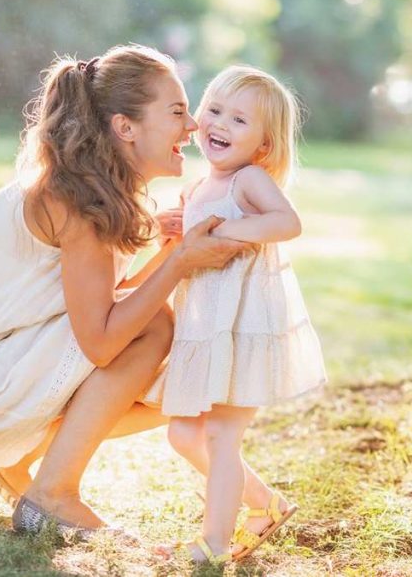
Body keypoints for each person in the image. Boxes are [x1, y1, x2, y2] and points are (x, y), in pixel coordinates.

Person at [0, 44, 269, 538]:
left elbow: (106, 304)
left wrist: (168, 250)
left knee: (178, 362)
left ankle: (20, 463)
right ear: (125, 127)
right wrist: (179, 263)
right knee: (157, 326)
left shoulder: (93, 188)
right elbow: (101, 340)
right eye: (178, 111)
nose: (194, 127)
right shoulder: (76, 200)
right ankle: (53, 493)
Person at [144, 65, 327, 565]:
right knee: (183, 434)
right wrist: (177, 229)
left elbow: (287, 223)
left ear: (263, 145)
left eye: (240, 120)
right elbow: (194, 243)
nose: (221, 124)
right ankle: (267, 505)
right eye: (216, 111)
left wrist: (228, 232)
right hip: (207, 327)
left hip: (245, 328)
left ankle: (213, 545)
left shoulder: (248, 179)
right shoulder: (201, 184)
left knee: (223, 437)